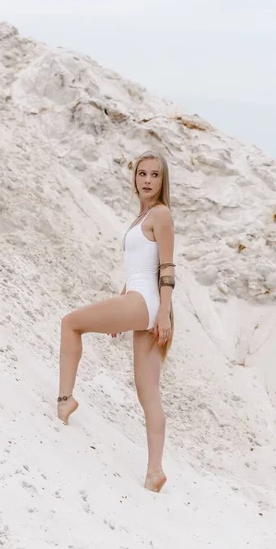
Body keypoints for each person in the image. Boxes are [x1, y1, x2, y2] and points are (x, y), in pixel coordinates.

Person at [57, 150, 175, 493]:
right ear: (135, 178)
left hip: (148, 302)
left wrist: (163, 311)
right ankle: (155, 472)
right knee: (148, 390)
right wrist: (122, 304)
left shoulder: (162, 215)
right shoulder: (144, 216)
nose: (148, 180)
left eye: (154, 175)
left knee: (70, 323)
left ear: (163, 180)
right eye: (142, 174)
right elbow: (140, 268)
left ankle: (65, 401)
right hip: (137, 299)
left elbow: (167, 268)